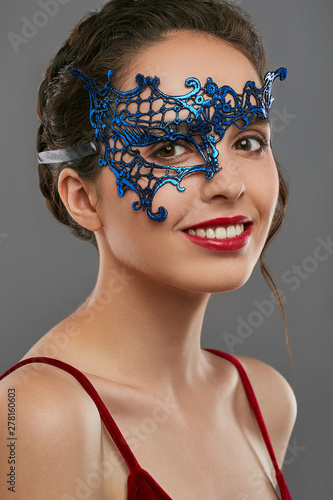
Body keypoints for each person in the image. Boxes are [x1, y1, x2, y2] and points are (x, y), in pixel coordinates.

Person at [0, 0, 297, 498]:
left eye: (247, 142)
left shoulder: (263, 401)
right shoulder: (39, 415)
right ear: (82, 198)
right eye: (167, 148)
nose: (228, 184)